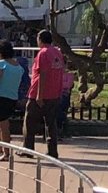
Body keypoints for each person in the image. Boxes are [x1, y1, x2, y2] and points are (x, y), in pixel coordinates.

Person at [20, 29, 64, 159]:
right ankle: (52, 151)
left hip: (39, 94)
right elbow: (61, 72)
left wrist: (39, 95)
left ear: (40, 39)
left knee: (29, 122)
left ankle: (28, 149)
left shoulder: (43, 53)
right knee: (51, 123)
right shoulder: (57, 52)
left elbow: (43, 74)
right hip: (54, 94)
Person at [0, 41, 23, 160]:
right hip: (12, 98)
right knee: (4, 125)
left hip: (1, 98)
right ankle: (2, 149)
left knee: (4, 126)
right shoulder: (18, 67)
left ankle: (6, 153)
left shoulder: (2, 64)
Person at [57, 57, 75, 139]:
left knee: (61, 109)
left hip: (63, 97)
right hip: (55, 96)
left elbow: (68, 85)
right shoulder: (54, 74)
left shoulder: (70, 75)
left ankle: (60, 130)